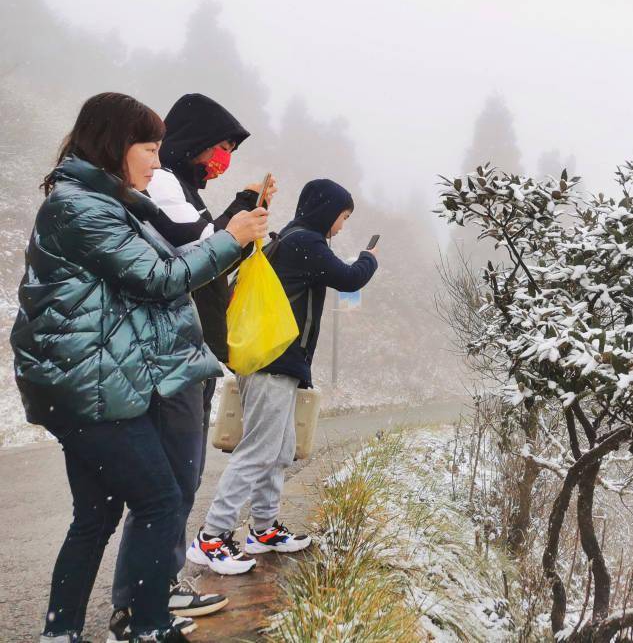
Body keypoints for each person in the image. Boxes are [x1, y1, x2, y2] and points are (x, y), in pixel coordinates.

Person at [10, 92, 268, 643]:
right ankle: (147, 628)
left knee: (97, 517)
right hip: (90, 387)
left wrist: (229, 240)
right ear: (114, 145)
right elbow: (159, 276)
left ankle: (62, 634)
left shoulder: (105, 202)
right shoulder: (81, 208)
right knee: (159, 499)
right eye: (149, 147)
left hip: (90, 383)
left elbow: (160, 268)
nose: (158, 158)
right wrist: (230, 240)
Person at [108, 93, 276, 636]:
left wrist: (241, 211)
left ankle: (154, 589)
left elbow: (206, 244)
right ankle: (145, 597)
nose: (222, 157)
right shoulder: (162, 185)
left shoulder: (184, 189)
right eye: (220, 147)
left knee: (174, 482)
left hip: (190, 351)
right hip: (171, 354)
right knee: (169, 484)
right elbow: (190, 251)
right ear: (193, 141)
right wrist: (239, 217)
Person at [189, 179, 378, 575]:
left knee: (278, 451)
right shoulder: (304, 242)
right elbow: (349, 278)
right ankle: (212, 536)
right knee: (259, 450)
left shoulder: (291, 240)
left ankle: (263, 528)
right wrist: (369, 257)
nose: (341, 226)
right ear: (328, 212)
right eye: (342, 217)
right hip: (273, 359)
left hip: (278, 360)